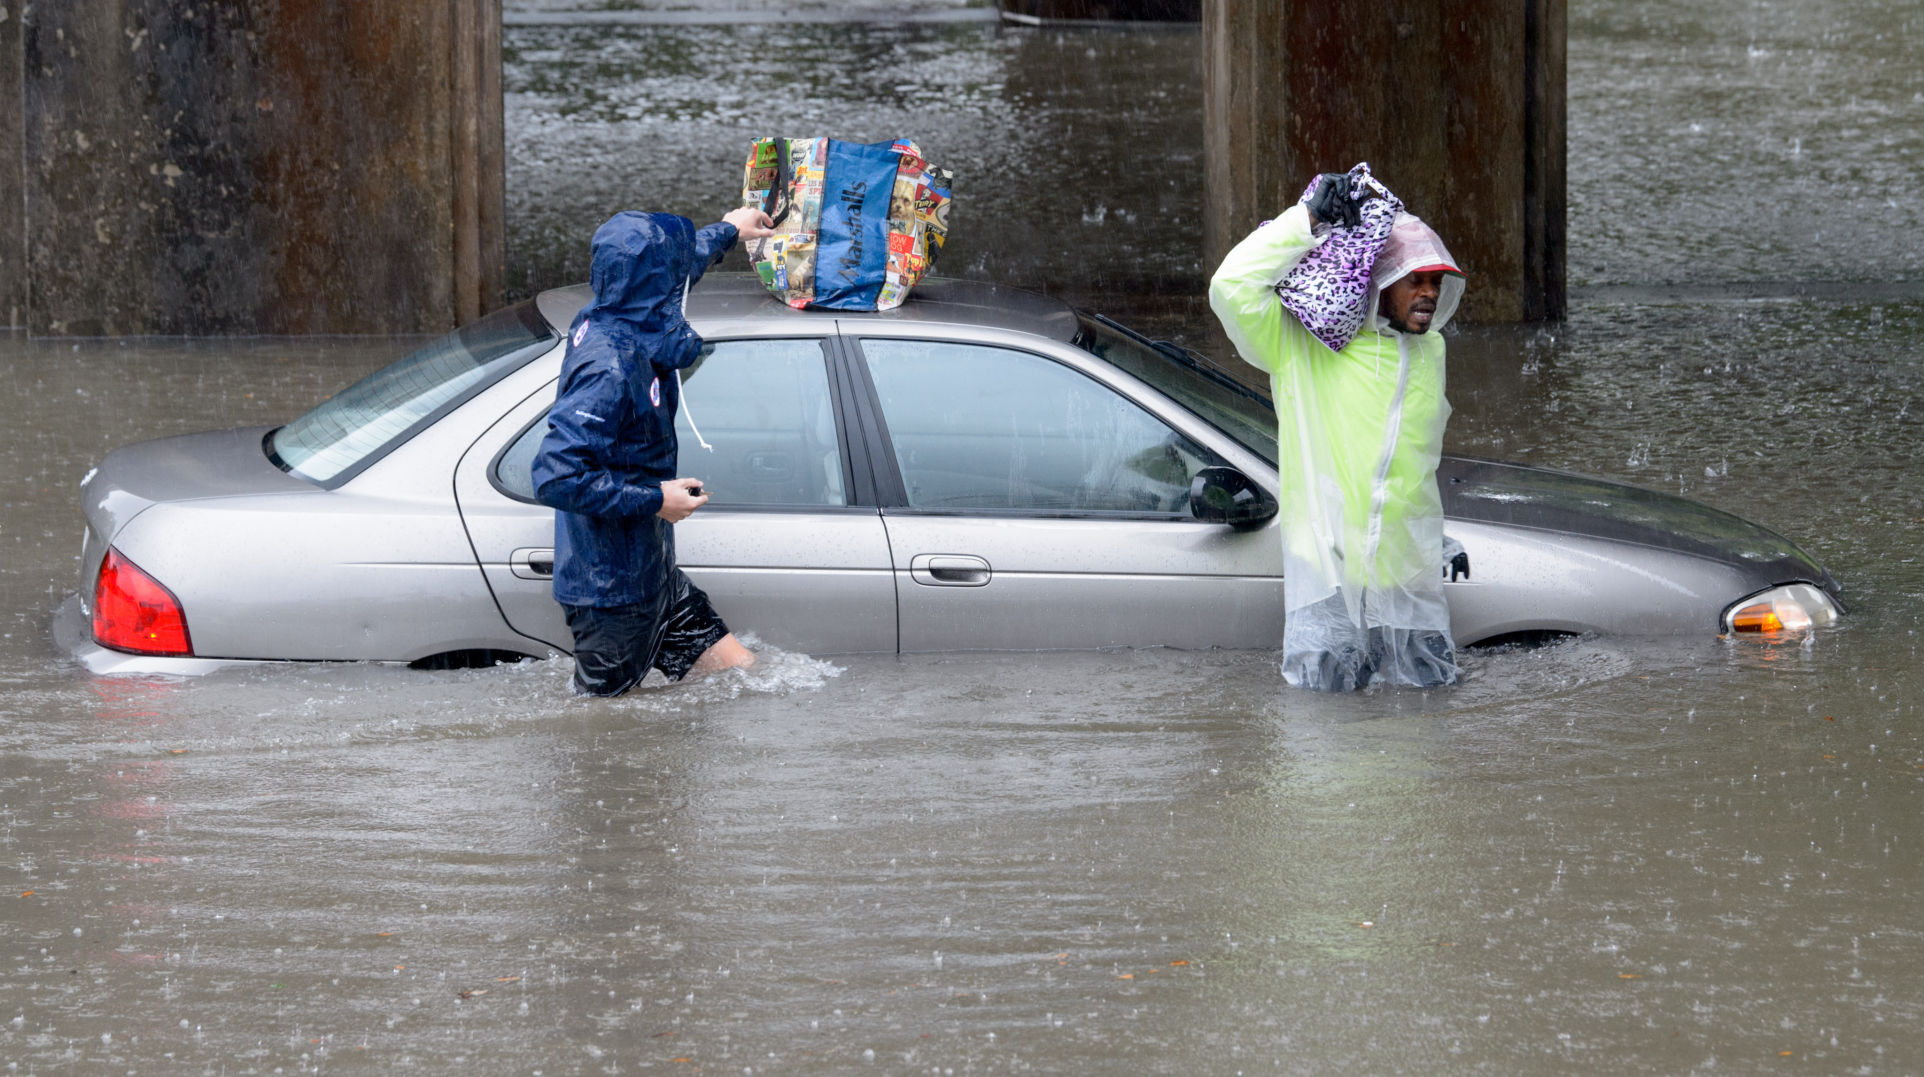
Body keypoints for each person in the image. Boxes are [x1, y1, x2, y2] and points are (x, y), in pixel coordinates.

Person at [1208, 176, 1467, 691]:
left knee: (1418, 744)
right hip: (1329, 582)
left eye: (1437, 281)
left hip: (1404, 587)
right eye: (1415, 279)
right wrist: (1303, 221)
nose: (1429, 293)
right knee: (1324, 745)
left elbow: (1412, 466)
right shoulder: (1304, 345)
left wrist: (1435, 541)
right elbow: (1230, 286)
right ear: (1378, 277)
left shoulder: (1428, 353)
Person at [532, 206, 773, 696]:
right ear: (656, 287)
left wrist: (730, 229)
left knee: (745, 679)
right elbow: (555, 475)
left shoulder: (624, 307)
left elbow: (676, 264)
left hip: (655, 576)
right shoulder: (611, 369)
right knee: (604, 736)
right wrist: (655, 499)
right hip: (613, 599)